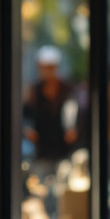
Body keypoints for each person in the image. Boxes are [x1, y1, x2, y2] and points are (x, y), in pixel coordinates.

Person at [24, 45, 79, 181]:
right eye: (44, 67)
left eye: (51, 67)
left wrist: (72, 129)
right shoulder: (33, 91)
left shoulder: (67, 90)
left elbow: (74, 115)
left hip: (63, 150)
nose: (48, 71)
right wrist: (28, 130)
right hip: (42, 151)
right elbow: (25, 117)